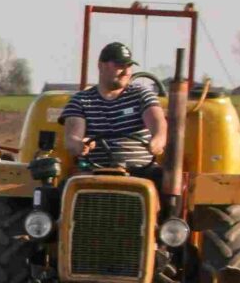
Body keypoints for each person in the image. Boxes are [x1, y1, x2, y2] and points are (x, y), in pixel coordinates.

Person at [60, 41, 168, 182]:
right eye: (119, 66)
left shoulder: (141, 95)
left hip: (140, 170)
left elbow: (158, 123)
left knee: (167, 183)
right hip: (95, 171)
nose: (126, 72)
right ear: (101, 66)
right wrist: (80, 144)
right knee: (62, 189)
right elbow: (72, 138)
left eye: (129, 66)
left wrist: (157, 141)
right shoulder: (81, 100)